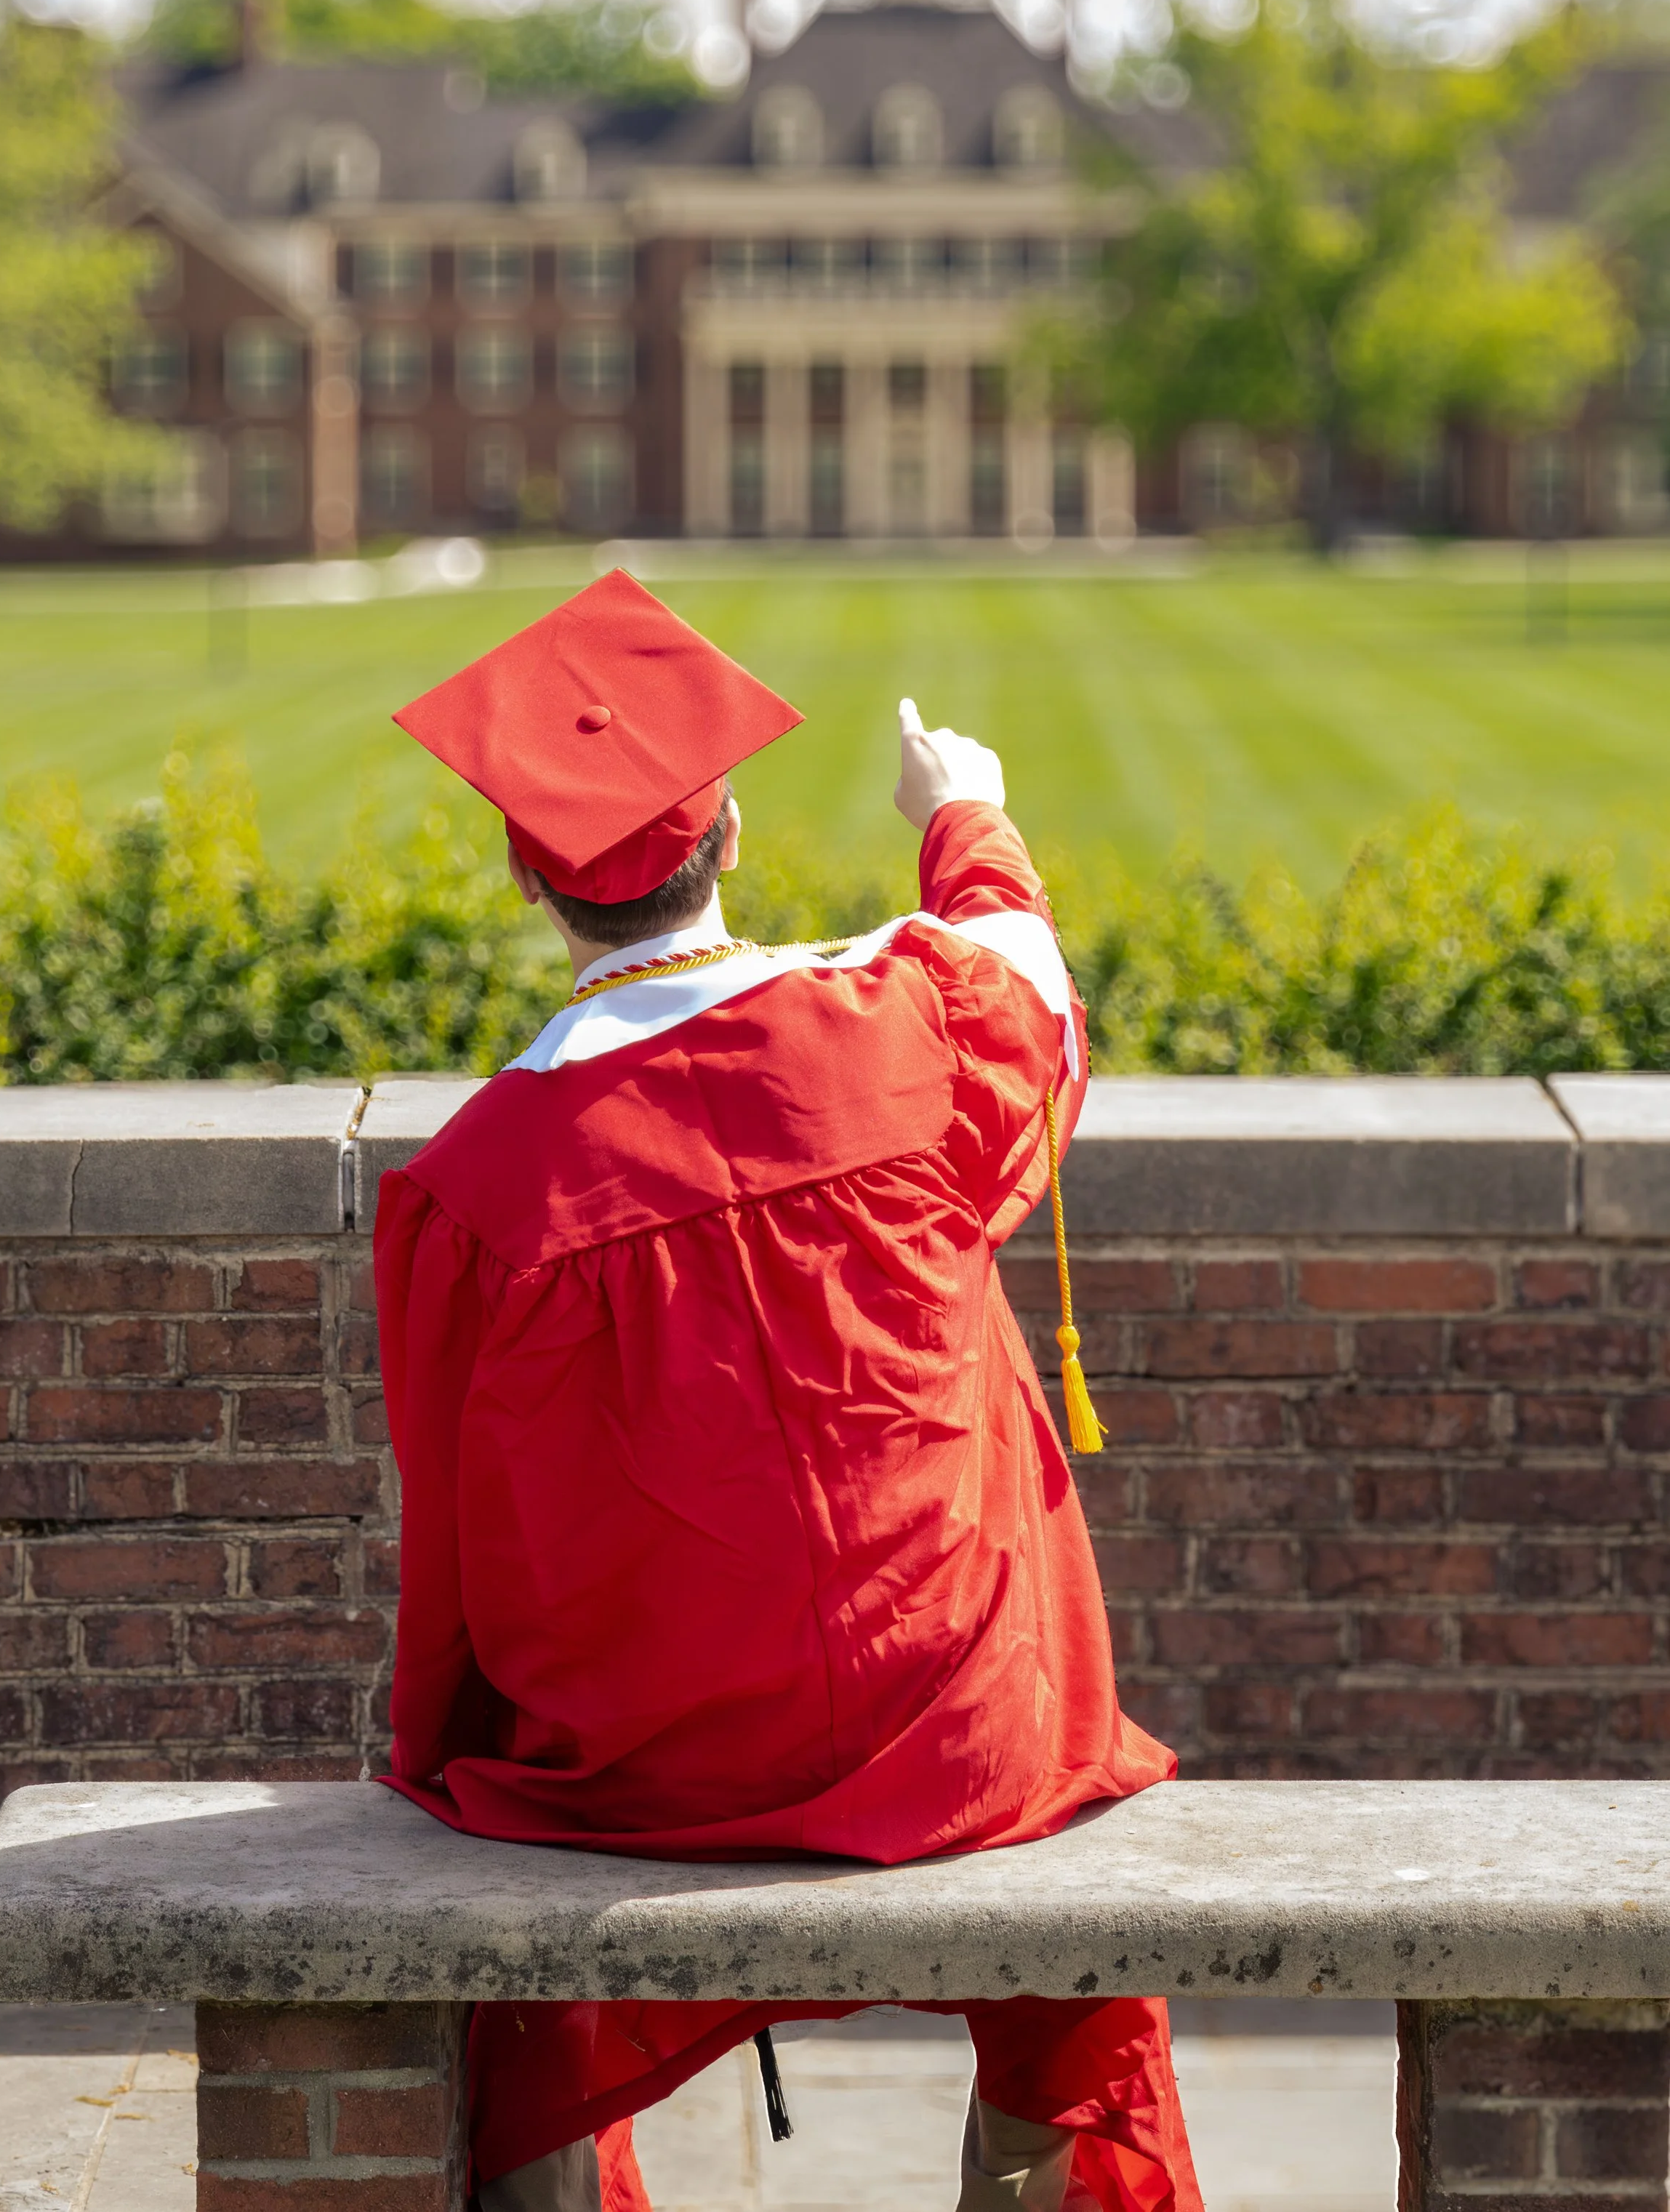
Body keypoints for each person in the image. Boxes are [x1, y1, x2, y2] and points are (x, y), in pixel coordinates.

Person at [376, 570, 1202, 2212]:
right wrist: (962, 811)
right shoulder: (899, 1030)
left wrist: (449, 1748)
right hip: (959, 1731)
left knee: (520, 1971)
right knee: (1065, 1922)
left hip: (638, 1771)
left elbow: (458, 1531)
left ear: (529, 876)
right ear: (729, 831)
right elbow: (1026, 980)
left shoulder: (472, 1187)